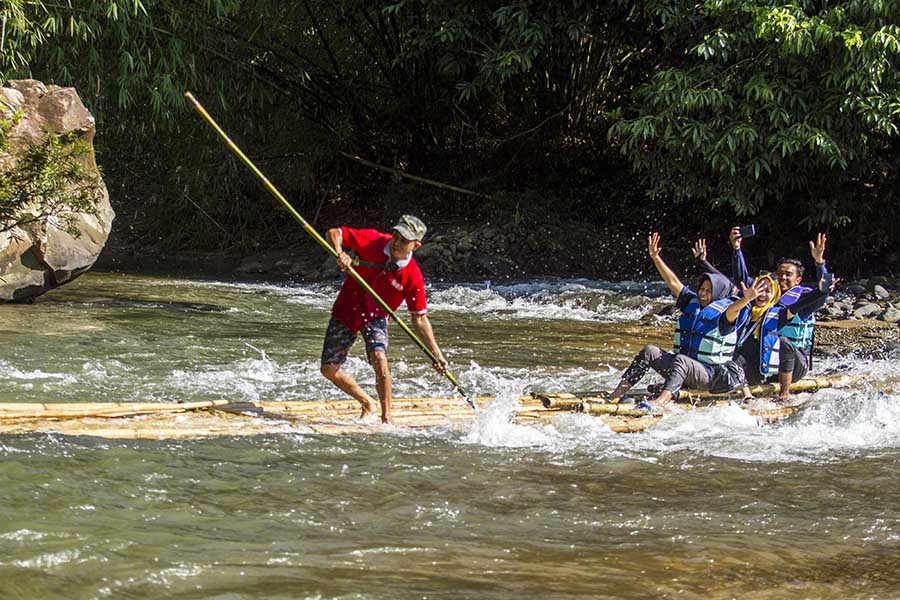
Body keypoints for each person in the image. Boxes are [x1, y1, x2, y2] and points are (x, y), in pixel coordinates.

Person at [320, 215, 449, 423]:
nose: (396, 242)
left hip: (376, 316)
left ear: (416, 246)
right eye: (396, 235)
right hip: (347, 308)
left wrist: (437, 355)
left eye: (404, 240)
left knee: (380, 359)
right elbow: (335, 232)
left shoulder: (413, 276)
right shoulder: (373, 240)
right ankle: (367, 402)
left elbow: (420, 319)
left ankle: (386, 417)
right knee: (328, 369)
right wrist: (340, 252)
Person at [607, 233, 750, 409]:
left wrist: (746, 300)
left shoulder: (726, 314)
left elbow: (736, 309)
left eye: (709, 291)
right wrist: (655, 257)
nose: (703, 293)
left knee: (681, 360)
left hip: (710, 376)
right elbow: (672, 281)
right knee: (649, 351)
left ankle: (660, 401)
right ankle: (616, 394)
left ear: (719, 293)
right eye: (702, 289)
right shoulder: (692, 302)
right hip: (685, 370)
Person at [729, 228, 831, 400]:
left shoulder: (802, 300)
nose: (782, 277)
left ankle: (784, 394)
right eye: (780, 274)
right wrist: (737, 249)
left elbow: (822, 295)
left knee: (783, 342)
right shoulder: (769, 295)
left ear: (798, 280)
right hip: (770, 363)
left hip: (796, 364)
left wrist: (819, 263)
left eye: (788, 275)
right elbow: (742, 280)